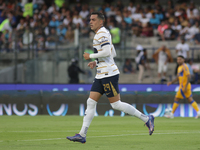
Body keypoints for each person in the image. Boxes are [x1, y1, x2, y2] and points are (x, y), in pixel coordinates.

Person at [67, 12, 155, 144]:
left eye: (93, 20)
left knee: (116, 105)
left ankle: (146, 118)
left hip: (108, 74)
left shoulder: (101, 34)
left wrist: (91, 56)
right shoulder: (103, 33)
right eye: (90, 19)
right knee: (91, 102)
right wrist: (97, 62)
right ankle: (82, 134)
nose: (90, 22)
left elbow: (108, 52)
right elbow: (113, 52)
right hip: (101, 73)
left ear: (101, 22)